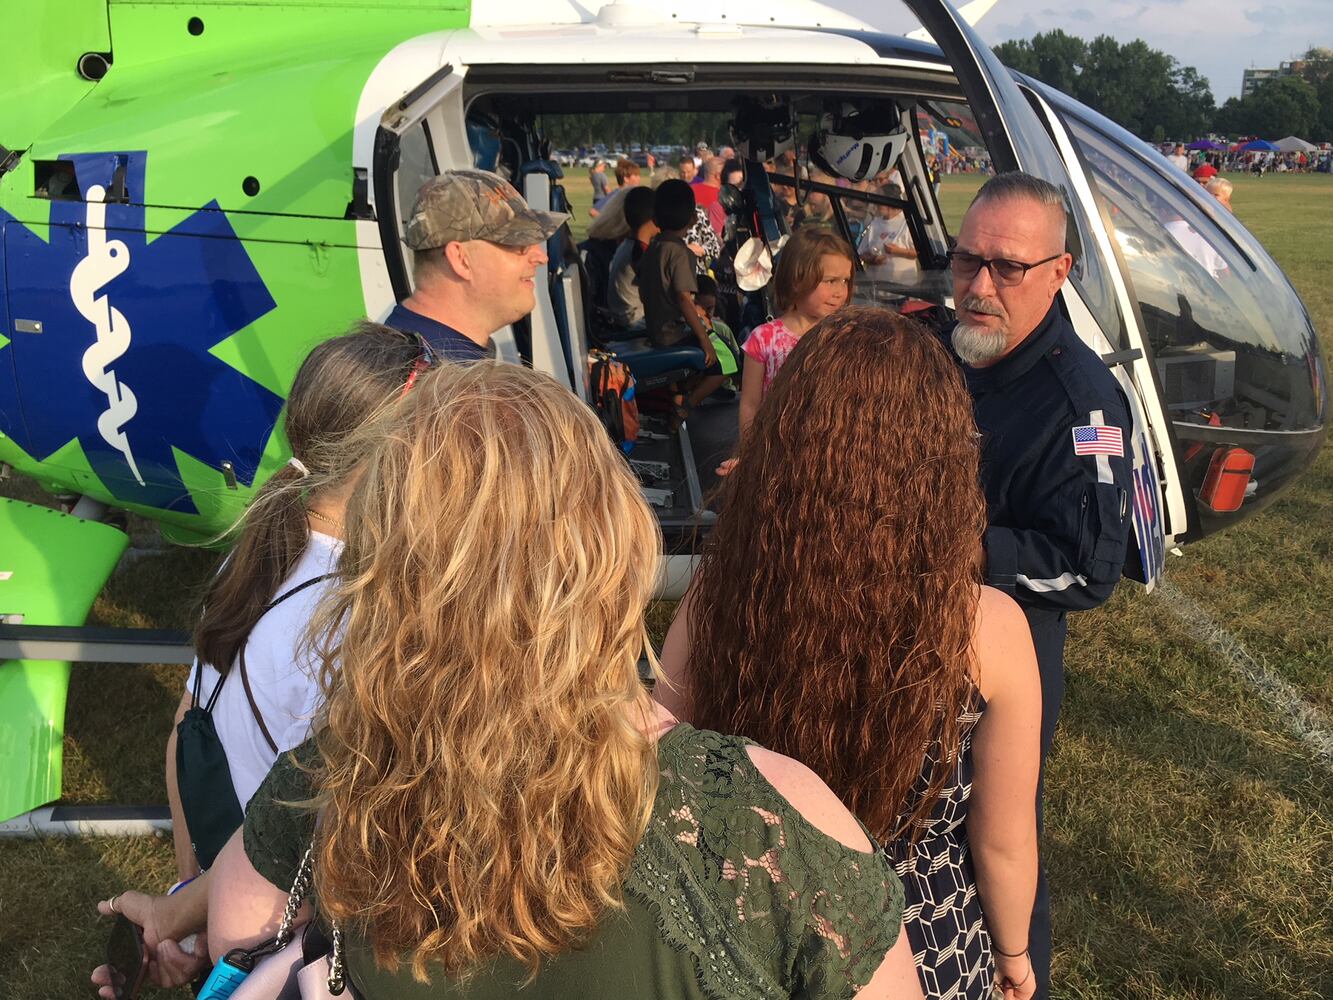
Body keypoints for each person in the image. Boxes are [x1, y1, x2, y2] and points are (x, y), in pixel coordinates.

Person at [197, 362, 926, 1000]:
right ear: (612, 543)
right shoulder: (770, 826)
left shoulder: (335, 778)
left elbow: (241, 933)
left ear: (387, 571)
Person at [659, 308, 1042, 1000]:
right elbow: (1003, 842)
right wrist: (1012, 952)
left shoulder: (716, 598)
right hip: (924, 949)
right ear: (940, 453)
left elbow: (663, 768)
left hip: (750, 938)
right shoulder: (988, 628)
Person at [95, 325, 433, 995]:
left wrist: (189, 901)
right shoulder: (354, 625)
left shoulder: (261, 554)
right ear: (398, 454)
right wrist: (186, 918)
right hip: (287, 938)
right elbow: (319, 849)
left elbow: (188, 729)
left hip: (234, 905)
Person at [947, 172, 1133, 998]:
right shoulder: (940, 343)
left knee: (997, 835)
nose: (979, 287)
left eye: (1007, 268)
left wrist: (948, 548)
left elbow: (1087, 567)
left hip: (1005, 656)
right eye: (964, 262)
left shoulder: (1082, 405)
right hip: (905, 625)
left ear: (1059, 272)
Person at [389, 169, 567, 359]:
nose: (541, 257)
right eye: (518, 243)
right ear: (460, 259)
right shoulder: (425, 379)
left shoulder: (437, 354)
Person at [723, 227, 852, 469]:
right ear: (796, 280)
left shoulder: (847, 337)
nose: (840, 292)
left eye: (845, 281)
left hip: (832, 458)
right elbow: (750, 403)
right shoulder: (764, 339)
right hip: (776, 456)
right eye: (830, 281)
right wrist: (749, 456)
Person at [638, 179, 727, 422]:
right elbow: (684, 298)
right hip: (673, 333)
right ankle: (687, 405)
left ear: (655, 218)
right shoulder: (680, 252)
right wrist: (703, 340)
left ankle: (678, 400)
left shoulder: (654, 247)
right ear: (693, 219)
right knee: (727, 362)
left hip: (655, 329)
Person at [607, 185, 657, 329]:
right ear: (654, 218)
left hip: (627, 316)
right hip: (634, 321)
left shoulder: (626, 246)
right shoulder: (638, 251)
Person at [857, 183, 919, 288]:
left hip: (903, 288)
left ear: (889, 200)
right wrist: (872, 259)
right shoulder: (875, 223)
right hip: (877, 289)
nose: (876, 203)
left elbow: (920, 252)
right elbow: (861, 253)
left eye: (879, 199)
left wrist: (898, 251)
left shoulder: (907, 222)